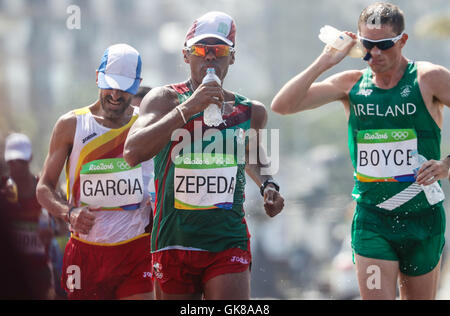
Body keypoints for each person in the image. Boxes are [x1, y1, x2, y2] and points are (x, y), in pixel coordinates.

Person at [271, 2, 450, 300]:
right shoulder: (351, 84)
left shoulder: (428, 78)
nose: (375, 53)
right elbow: (283, 105)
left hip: (423, 216)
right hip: (372, 219)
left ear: (402, 41)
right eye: (368, 44)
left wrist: (446, 164)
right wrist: (325, 60)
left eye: (383, 45)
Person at [124, 11, 284, 300]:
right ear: (186, 56)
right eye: (200, 49)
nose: (209, 57)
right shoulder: (164, 100)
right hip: (174, 239)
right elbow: (133, 152)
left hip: (227, 239)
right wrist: (190, 107)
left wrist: (268, 185)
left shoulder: (250, 112)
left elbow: (251, 155)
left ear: (231, 58)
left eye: (219, 50)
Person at [36, 43, 154, 300]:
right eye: (109, 83)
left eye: (123, 87)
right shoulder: (71, 125)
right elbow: (44, 187)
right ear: (97, 77)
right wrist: (69, 212)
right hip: (86, 253)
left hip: (135, 252)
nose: (114, 94)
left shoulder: (148, 125)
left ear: (137, 84)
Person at [2, 133, 56, 299]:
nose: (16, 166)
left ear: (30, 158)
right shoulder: (2, 191)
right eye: (12, 161)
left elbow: (64, 227)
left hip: (40, 275)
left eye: (21, 161)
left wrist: (53, 232)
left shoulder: (44, 190)